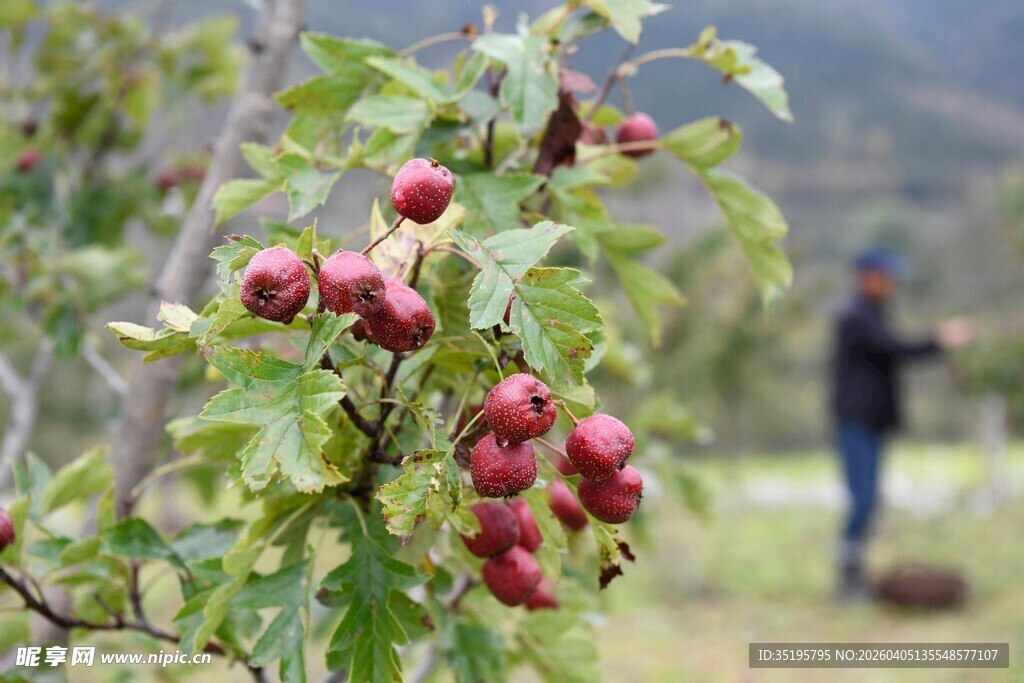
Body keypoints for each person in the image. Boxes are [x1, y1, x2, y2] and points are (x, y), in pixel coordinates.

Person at [830, 247, 974, 600]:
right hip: (855, 422)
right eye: (886, 277)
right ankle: (848, 579)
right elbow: (894, 348)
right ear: (868, 276)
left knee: (870, 502)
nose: (891, 284)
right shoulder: (854, 317)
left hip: (871, 422)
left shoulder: (873, 313)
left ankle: (856, 574)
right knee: (863, 501)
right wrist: (941, 339)